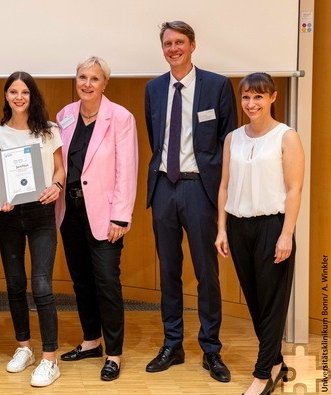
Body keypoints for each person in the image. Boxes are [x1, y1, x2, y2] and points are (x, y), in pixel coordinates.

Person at [144, 20, 237, 382]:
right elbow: (157, 137)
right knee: (168, 272)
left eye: (179, 42)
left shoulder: (217, 85)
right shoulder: (153, 89)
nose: (173, 49)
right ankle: (173, 345)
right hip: (164, 188)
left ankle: (211, 350)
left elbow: (228, 140)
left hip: (200, 189)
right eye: (168, 43)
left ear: (193, 45)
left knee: (206, 274)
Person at [215, 73, 304, 395]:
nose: (251, 104)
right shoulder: (233, 138)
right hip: (239, 227)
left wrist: (286, 235)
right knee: (255, 302)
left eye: (258, 97)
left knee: (272, 303)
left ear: (273, 97)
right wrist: (222, 229)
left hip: (273, 226)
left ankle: (262, 375)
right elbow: (224, 185)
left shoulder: (286, 136)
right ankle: (277, 363)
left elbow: (294, 189)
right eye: (246, 97)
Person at [55, 56, 138, 381]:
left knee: (106, 283)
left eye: (94, 78)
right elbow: (58, 163)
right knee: (82, 282)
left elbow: (126, 170)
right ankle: (91, 341)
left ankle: (113, 354)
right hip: (70, 212)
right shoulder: (64, 116)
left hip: (105, 217)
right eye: (81, 77)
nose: (86, 84)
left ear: (105, 83)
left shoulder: (120, 118)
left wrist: (121, 216)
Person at [0, 72, 65, 387]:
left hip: (40, 214)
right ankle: (25, 348)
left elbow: (60, 167)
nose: (19, 97)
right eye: (13, 92)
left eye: (24, 92)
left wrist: (57, 184)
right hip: (9, 215)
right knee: (15, 284)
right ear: (6, 96)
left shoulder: (49, 131)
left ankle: (50, 359)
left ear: (32, 95)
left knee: (43, 285)